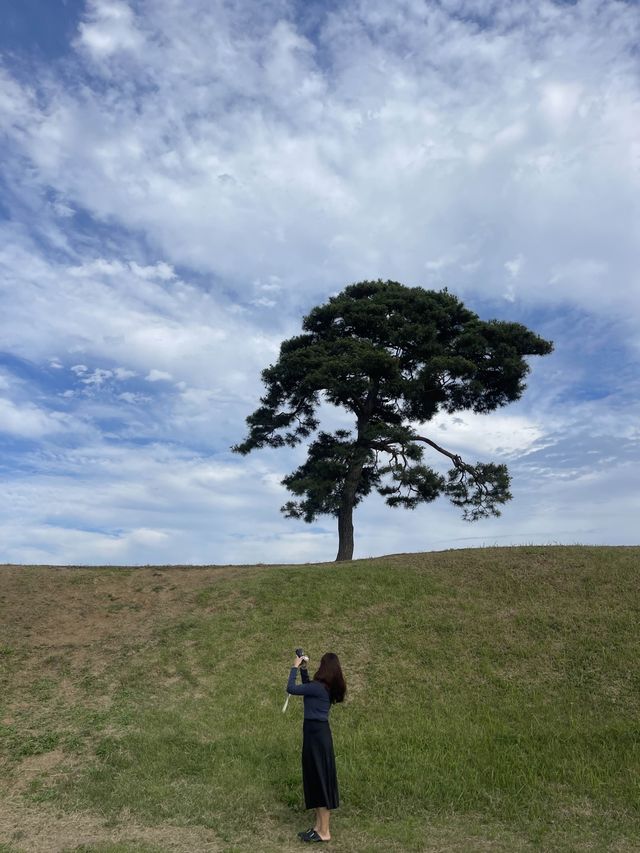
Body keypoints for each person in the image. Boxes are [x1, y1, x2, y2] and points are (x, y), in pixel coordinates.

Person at [287, 651, 346, 843]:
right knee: (316, 779)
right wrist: (304, 670)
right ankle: (318, 828)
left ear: (324, 668)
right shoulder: (322, 688)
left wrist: (294, 667)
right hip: (317, 737)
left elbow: (291, 688)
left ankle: (325, 832)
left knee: (320, 781)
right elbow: (307, 687)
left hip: (317, 738)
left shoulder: (319, 689)